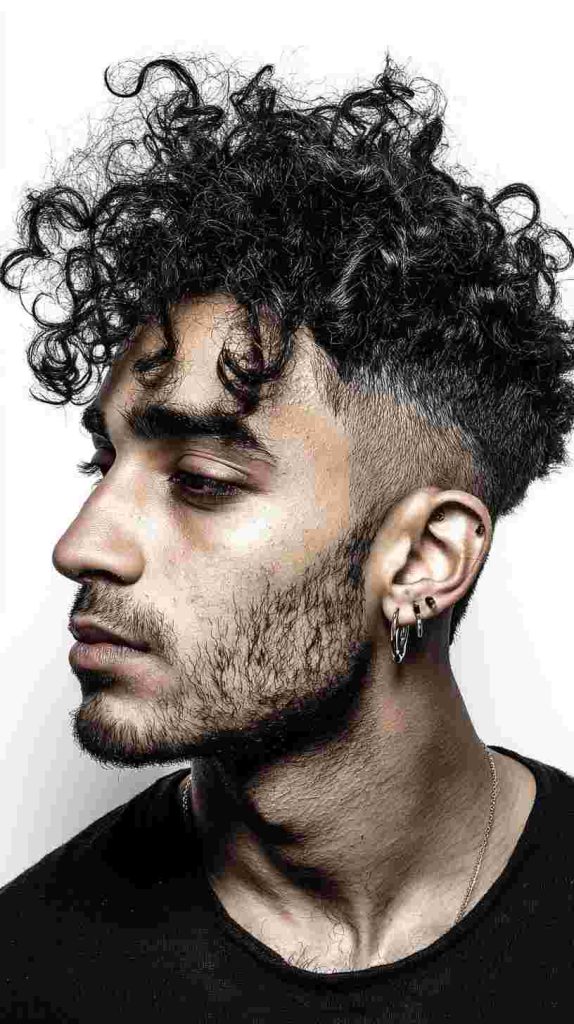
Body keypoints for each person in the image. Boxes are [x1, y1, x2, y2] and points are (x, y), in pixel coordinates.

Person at [1, 51, 573, 1020]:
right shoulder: (27, 975)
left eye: (201, 481)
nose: (83, 545)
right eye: (109, 461)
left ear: (424, 559)